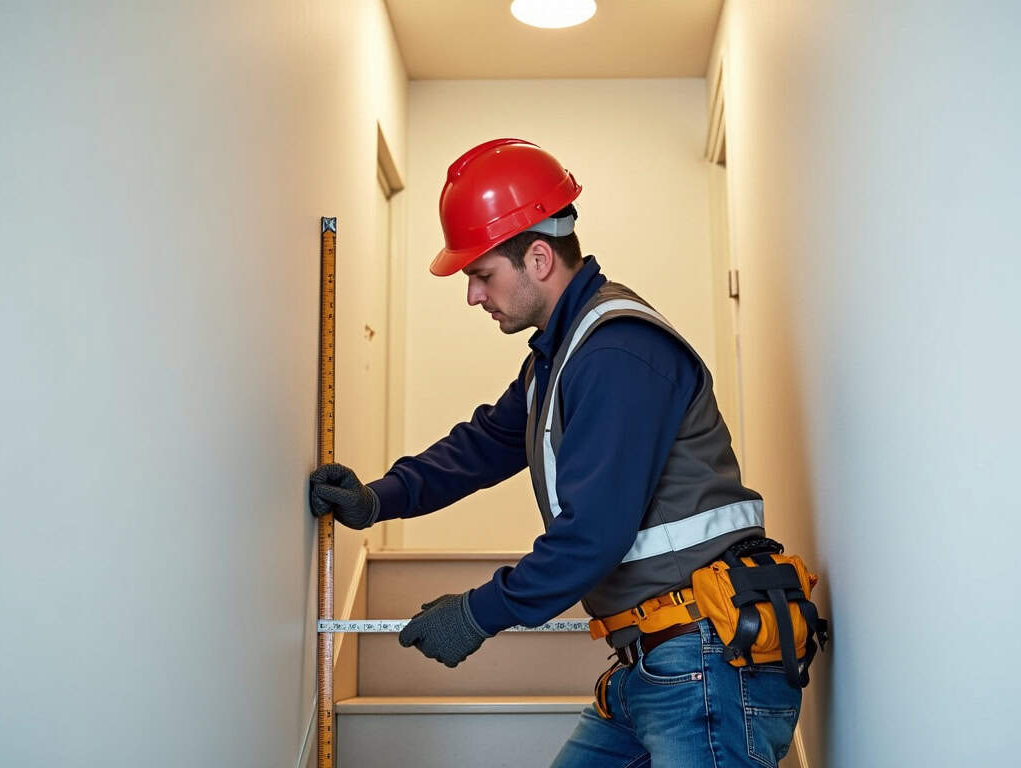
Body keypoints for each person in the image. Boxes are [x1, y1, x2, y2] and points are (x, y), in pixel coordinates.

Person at [310, 138, 803, 767]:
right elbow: (486, 443)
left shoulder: (615, 351)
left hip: (704, 660)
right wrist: (379, 497)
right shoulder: (559, 355)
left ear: (538, 257)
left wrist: (477, 612)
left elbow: (592, 535)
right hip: (653, 661)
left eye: (481, 275)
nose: (473, 296)